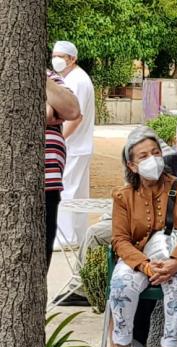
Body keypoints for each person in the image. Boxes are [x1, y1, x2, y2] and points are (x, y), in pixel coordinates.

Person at [109, 126, 177, 347]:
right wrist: (145, 265)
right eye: (144, 156)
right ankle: (124, 346)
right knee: (122, 282)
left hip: (174, 258)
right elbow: (120, 240)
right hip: (138, 258)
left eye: (156, 152)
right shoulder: (123, 196)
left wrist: (175, 262)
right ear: (132, 165)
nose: (153, 160)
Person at [52, 41, 96, 248]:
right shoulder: (72, 78)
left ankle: (66, 238)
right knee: (77, 193)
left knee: (67, 191)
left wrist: (61, 139)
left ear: (73, 58)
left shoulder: (77, 81)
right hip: (78, 147)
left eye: (61, 56)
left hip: (74, 147)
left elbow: (74, 117)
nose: (56, 60)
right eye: (54, 55)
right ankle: (76, 236)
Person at [44, 69, 80, 269]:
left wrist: (40, 76)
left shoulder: (51, 77)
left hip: (48, 185)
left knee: (40, 256)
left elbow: (72, 110)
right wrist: (49, 108)